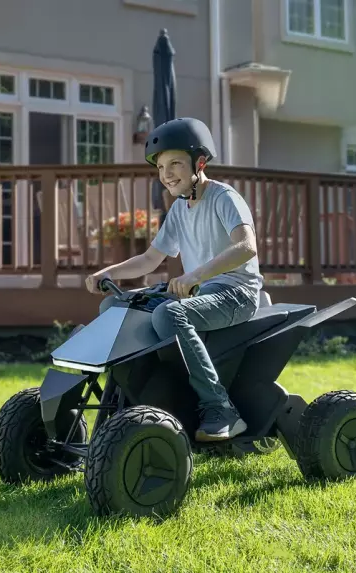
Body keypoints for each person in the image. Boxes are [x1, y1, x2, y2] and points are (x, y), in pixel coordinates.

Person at [85, 117, 263, 442]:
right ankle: (123, 403)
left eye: (175, 164)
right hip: (200, 292)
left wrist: (196, 273)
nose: (166, 174)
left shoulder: (224, 198)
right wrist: (109, 273)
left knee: (169, 313)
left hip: (236, 293)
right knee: (115, 303)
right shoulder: (180, 210)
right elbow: (150, 258)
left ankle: (220, 408)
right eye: (161, 167)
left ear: (200, 162)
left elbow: (247, 247)